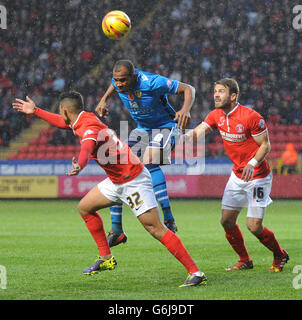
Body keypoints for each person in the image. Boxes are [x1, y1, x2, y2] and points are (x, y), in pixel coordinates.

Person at [12, 91, 207, 287]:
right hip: (116, 180)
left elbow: (87, 148)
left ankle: (196, 273)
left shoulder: (87, 127)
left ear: (64, 109)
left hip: (133, 180)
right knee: (85, 207)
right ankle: (106, 257)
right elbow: (63, 123)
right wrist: (35, 110)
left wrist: (79, 165)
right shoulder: (82, 118)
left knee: (155, 228)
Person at [183, 78, 289, 272]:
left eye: (221, 91)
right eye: (215, 91)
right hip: (237, 176)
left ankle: (280, 254)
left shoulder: (251, 116)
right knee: (226, 221)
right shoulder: (216, 115)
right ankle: (245, 260)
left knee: (254, 226)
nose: (216, 94)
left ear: (233, 96)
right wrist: (184, 136)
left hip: (258, 176)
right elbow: (200, 131)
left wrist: (252, 163)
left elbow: (265, 145)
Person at [95, 59, 195, 247]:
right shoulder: (119, 81)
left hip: (166, 126)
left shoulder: (152, 82)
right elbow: (114, 84)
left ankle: (168, 219)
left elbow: (189, 88)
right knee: (117, 168)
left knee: (149, 162)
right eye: (116, 80)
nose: (119, 84)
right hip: (142, 129)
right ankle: (117, 231)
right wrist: (103, 99)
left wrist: (185, 109)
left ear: (133, 77)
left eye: (123, 80)